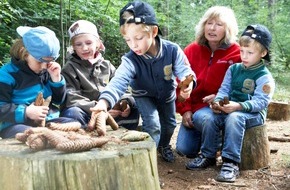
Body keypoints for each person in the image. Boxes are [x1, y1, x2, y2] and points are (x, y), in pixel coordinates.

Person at [90, 0, 196, 163]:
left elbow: (184, 70)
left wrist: (188, 84)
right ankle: (148, 157)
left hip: (167, 96)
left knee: (169, 125)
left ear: (153, 31)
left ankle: (164, 146)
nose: (133, 45)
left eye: (138, 38)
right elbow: (118, 81)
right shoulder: (130, 60)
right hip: (143, 96)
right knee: (152, 124)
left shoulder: (172, 50)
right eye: (128, 40)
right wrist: (104, 102)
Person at [186, 24, 275, 183]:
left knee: (235, 118)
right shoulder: (234, 69)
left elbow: (261, 102)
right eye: (241, 51)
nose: (244, 56)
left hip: (252, 115)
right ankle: (208, 155)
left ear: (263, 53)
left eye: (250, 52)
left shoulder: (264, 76)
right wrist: (218, 102)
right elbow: (224, 89)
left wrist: (238, 106)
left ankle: (230, 162)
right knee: (211, 118)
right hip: (231, 109)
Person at [175, 6, 241, 158]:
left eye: (219, 24)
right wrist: (185, 110)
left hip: (220, 108)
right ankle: (211, 139)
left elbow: (241, 86)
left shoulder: (237, 53)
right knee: (185, 150)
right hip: (194, 108)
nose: (212, 28)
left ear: (228, 29)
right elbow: (180, 82)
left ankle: (215, 145)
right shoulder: (192, 50)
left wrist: (220, 96)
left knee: (206, 117)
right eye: (209, 23)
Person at [60, 20, 140, 130]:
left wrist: (125, 102)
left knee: (134, 105)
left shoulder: (107, 65)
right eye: (78, 44)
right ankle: (84, 138)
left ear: (98, 43)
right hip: (87, 112)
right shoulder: (70, 68)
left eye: (89, 43)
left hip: (110, 111)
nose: (84, 48)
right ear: (73, 47)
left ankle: (126, 134)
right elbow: (71, 97)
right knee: (72, 112)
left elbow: (121, 88)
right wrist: (98, 108)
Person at [0, 26, 76, 138]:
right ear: (24, 53)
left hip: (48, 120)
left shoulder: (46, 71)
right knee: (34, 135)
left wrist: (56, 79)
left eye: (50, 61)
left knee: (75, 124)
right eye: (40, 61)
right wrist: (26, 112)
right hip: (16, 125)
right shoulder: (6, 75)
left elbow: (58, 100)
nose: (45, 66)